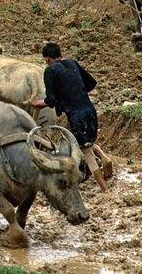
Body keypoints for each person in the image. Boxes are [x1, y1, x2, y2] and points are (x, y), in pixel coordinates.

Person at [29, 43, 112, 192]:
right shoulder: (72, 62)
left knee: (87, 154)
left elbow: (51, 100)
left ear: (47, 59)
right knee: (87, 142)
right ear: (61, 54)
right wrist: (75, 91)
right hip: (90, 110)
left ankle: (105, 189)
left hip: (76, 115)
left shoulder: (50, 71)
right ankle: (105, 158)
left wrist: (36, 103)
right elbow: (92, 83)